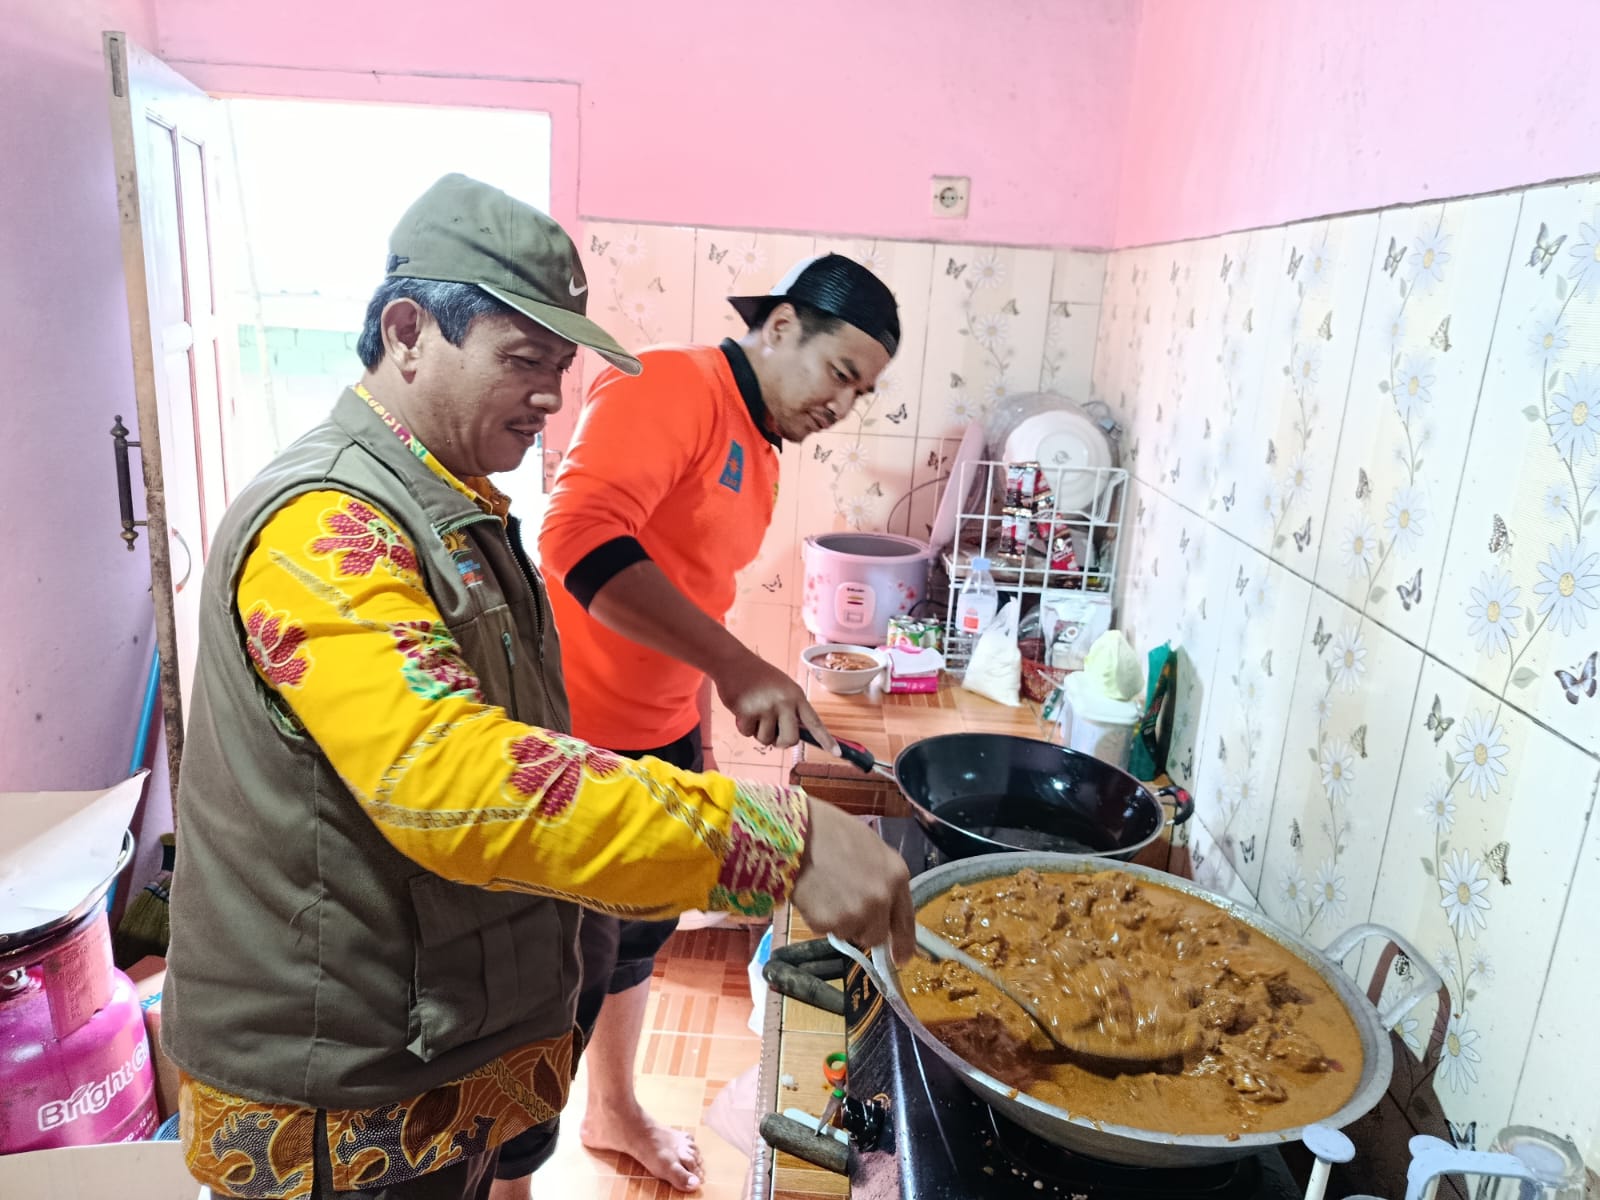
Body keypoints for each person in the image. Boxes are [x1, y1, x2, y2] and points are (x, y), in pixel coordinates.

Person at [160, 174, 914, 1200]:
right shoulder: (324, 527)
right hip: (337, 1086)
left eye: (561, 367)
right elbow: (446, 777)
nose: (556, 400)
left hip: (419, 1047)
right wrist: (774, 838)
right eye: (525, 362)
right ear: (408, 330)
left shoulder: (452, 502)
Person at [499, 254, 899, 1194]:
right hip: (580, 737)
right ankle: (510, 1182)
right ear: (783, 325)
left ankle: (614, 1109)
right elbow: (577, 540)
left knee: (638, 940)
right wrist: (735, 664)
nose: (844, 404)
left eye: (864, 391)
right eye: (841, 372)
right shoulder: (675, 384)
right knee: (556, 986)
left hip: (660, 727)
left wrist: (697, 722)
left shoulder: (757, 448)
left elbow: (688, 585)